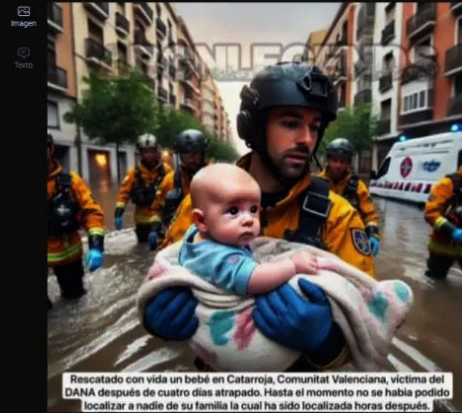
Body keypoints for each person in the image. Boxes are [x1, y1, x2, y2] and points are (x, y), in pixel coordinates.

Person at [141, 62, 375, 371]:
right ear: (254, 127)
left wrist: (326, 342)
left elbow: (370, 320)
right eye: (291, 123)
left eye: (315, 126)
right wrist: (155, 317)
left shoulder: (339, 218)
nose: (307, 138)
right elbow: (166, 272)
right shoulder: (198, 208)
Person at [180, 163, 320, 295]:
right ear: (201, 220)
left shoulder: (198, 234)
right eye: (234, 211)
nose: (249, 220)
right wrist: (293, 265)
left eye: (253, 209)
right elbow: (253, 279)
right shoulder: (217, 257)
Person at [47, 133, 105, 309]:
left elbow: (92, 211)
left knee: (75, 302)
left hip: (68, 255)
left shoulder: (71, 181)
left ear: (51, 149)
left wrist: (96, 246)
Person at [318, 138, 382, 257]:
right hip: (320, 241)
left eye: (343, 161)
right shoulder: (316, 183)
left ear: (348, 163)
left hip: (348, 242)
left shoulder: (358, 187)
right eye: (335, 160)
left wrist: (373, 234)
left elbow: (370, 216)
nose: (338, 165)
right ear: (328, 160)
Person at [151, 129, 208, 250]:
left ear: (202, 153)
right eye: (187, 155)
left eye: (195, 154)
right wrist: (154, 229)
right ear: (180, 156)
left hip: (206, 243)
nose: (191, 159)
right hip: (176, 245)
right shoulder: (169, 180)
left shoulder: (216, 177)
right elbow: (156, 209)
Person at [423, 143, 462, 285]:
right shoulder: (447, 184)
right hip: (442, 246)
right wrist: (451, 230)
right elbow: (430, 213)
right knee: (435, 283)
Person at [114, 134, 172, 244]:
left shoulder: (166, 171)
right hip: (142, 223)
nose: (149, 155)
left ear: (156, 152)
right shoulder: (133, 173)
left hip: (162, 221)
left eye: (151, 151)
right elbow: (123, 195)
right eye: (145, 152)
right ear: (141, 153)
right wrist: (118, 214)